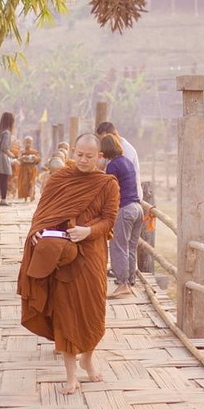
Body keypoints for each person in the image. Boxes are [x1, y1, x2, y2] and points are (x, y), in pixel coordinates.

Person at [18, 133, 120, 394]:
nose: (83, 160)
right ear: (73, 152)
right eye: (79, 155)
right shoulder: (60, 179)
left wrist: (88, 231)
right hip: (63, 257)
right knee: (66, 313)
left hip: (92, 255)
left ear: (99, 157)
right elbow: (42, 215)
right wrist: (38, 232)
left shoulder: (108, 184)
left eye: (89, 156)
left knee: (93, 310)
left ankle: (87, 358)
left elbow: (109, 220)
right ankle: (71, 375)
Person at [100, 134, 143, 298]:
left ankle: (122, 283)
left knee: (118, 247)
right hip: (137, 209)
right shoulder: (127, 162)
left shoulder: (113, 166)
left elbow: (110, 191)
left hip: (124, 209)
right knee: (131, 247)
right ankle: (130, 282)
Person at [96, 121, 143, 200]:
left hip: (128, 197)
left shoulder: (127, 151)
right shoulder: (109, 149)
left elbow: (124, 180)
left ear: (110, 137)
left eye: (103, 140)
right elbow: (100, 166)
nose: (102, 143)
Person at [17, 136, 41, 201]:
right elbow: (18, 158)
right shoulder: (22, 151)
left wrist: (35, 158)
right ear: (24, 142)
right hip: (24, 169)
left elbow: (38, 160)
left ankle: (31, 195)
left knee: (32, 182)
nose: (28, 144)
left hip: (32, 169)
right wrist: (23, 158)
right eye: (27, 142)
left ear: (32, 143)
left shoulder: (34, 152)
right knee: (24, 183)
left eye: (29, 142)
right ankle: (25, 197)